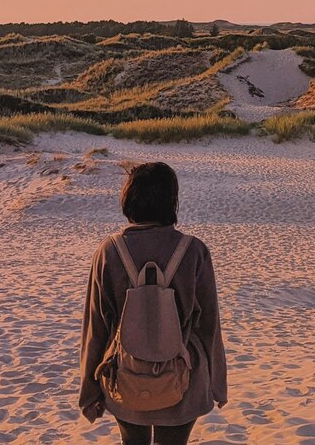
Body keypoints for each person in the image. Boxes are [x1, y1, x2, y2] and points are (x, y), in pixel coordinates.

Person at [79, 161, 228, 445]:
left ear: (128, 198)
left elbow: (95, 326)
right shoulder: (193, 250)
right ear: (172, 200)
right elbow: (209, 325)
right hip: (185, 375)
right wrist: (217, 385)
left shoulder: (109, 251)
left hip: (125, 374)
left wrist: (89, 391)